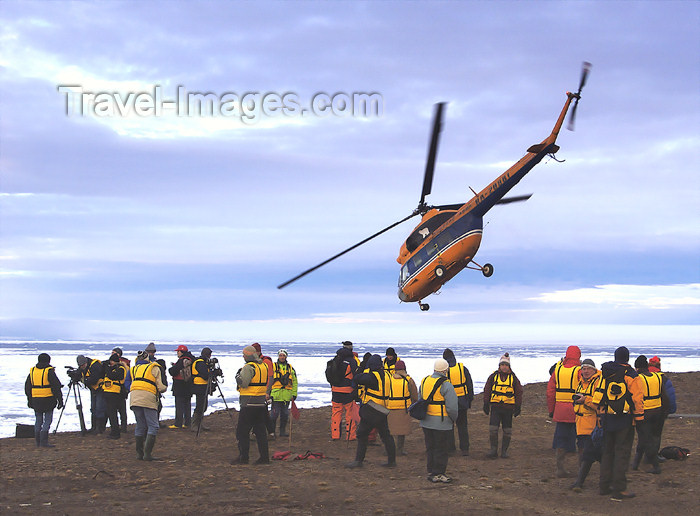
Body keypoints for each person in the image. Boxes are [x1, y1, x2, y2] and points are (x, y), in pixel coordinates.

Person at [591, 346, 644, 501]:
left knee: (607, 452)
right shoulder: (631, 375)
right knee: (622, 453)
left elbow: (598, 395)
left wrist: (601, 415)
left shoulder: (605, 372)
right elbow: (637, 399)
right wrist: (639, 420)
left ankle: (604, 486)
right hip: (625, 419)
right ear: (627, 358)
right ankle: (619, 490)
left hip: (608, 418)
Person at [346, 354, 396, 469]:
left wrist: (362, 370)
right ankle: (392, 461)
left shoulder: (372, 377)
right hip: (382, 410)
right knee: (386, 435)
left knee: (362, 434)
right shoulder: (388, 375)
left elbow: (358, 378)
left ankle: (358, 461)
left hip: (371, 410)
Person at [419, 358, 459, 483]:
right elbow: (452, 407)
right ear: (446, 370)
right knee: (441, 449)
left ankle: (431, 471)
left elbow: (420, 399)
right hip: (442, 422)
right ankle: (439, 473)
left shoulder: (424, 381)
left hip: (426, 421)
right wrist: (453, 419)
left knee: (430, 447)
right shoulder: (446, 384)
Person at [547, 345, 582, 477]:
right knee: (582, 439)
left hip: (560, 410)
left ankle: (560, 468)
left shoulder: (558, 370)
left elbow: (550, 392)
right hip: (578, 410)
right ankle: (581, 470)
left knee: (561, 439)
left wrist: (552, 410)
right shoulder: (579, 371)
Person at [232, 345, 270, 465]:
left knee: (242, 432)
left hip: (248, 403)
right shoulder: (263, 366)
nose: (243, 356)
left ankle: (244, 457)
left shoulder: (249, 367)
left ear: (248, 355)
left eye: (244, 354)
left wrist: (238, 377)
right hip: (260, 403)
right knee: (260, 432)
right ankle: (264, 457)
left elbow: (244, 383)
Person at [631, 355, 669, 474]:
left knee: (646, 439)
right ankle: (635, 464)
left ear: (637, 367)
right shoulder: (657, 377)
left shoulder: (638, 379)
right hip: (657, 412)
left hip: (645, 413)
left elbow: (634, 397)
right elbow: (664, 396)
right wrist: (665, 412)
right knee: (647, 438)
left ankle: (656, 467)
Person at [128, 350, 167, 460]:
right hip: (148, 398)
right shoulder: (154, 368)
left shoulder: (133, 369)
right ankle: (147, 454)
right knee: (153, 425)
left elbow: (128, 383)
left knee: (140, 425)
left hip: (134, 398)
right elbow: (161, 387)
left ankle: (139, 454)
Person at [483, 353, 523, 459]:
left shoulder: (513, 378)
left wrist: (518, 406)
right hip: (495, 408)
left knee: (507, 431)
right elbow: (487, 390)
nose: (504, 367)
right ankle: (493, 450)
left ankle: (504, 451)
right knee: (493, 429)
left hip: (508, 409)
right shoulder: (493, 377)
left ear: (509, 366)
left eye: (506, 365)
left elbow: (519, 392)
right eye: (502, 365)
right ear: (499, 366)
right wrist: (486, 403)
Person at [570, 358, 602, 490]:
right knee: (587, 454)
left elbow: (599, 405)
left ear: (594, 370)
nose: (586, 371)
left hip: (593, 427)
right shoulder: (581, 383)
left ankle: (580, 482)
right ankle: (582, 481)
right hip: (580, 425)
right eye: (584, 368)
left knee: (591, 455)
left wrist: (585, 400)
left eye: (589, 368)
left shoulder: (598, 383)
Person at [25, 353, 63, 448]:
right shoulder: (49, 371)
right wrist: (60, 400)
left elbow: (27, 387)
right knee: (47, 420)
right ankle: (44, 442)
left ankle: (38, 442)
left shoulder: (33, 371)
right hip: (48, 399)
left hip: (36, 399)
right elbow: (56, 386)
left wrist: (29, 399)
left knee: (38, 420)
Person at [443, 348, 474, 456]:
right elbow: (469, 385)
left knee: (449, 426)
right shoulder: (462, 369)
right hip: (462, 402)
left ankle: (451, 449)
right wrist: (469, 399)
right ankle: (465, 449)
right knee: (462, 426)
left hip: (448, 402)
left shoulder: (444, 370)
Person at [647, 355, 676, 462]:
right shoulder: (663, 378)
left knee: (644, 434)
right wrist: (671, 410)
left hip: (643, 411)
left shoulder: (641, 377)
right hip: (659, 411)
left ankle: (643, 456)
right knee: (656, 435)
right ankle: (653, 456)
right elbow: (670, 396)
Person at [386, 360, 418, 456]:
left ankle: (389, 449)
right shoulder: (408, 380)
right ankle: (399, 450)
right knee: (401, 431)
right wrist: (414, 404)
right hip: (404, 408)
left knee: (390, 430)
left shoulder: (389, 379)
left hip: (390, 407)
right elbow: (414, 395)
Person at [328, 346, 359, 441]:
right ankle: (351, 435)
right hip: (347, 391)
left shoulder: (334, 360)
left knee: (336, 412)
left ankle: (335, 435)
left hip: (335, 390)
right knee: (349, 413)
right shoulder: (351, 361)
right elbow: (356, 376)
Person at [268, 349, 298, 438]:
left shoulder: (290, 368)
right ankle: (272, 432)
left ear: (286, 357)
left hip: (286, 395)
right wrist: (268, 393)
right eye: (280, 355)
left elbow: (295, 382)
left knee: (285, 414)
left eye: (283, 356)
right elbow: (268, 380)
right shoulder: (273, 367)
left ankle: (282, 431)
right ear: (278, 356)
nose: (282, 357)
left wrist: (294, 393)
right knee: (274, 414)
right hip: (275, 395)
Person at [76, 354, 106, 434]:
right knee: (93, 408)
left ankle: (100, 428)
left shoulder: (95, 365)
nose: (82, 367)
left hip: (100, 389)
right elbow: (80, 374)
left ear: (85, 362)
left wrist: (84, 381)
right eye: (80, 366)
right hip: (93, 389)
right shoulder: (84, 367)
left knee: (99, 408)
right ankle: (94, 427)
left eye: (82, 365)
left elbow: (94, 379)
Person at [168, 344, 195, 429]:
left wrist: (171, 368)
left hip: (179, 385)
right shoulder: (191, 360)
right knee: (187, 405)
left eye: (178, 351)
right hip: (188, 385)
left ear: (181, 352)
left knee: (179, 405)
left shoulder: (181, 361)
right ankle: (187, 423)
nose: (177, 353)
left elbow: (173, 371)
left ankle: (178, 423)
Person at [252, 342, 275, 437]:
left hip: (262, 392)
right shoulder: (254, 362)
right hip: (255, 391)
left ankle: (258, 432)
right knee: (263, 412)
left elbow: (270, 377)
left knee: (260, 412)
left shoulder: (266, 362)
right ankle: (270, 432)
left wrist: (267, 392)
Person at [103, 353, 128, 439]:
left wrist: (107, 368)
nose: (111, 363)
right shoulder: (110, 368)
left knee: (114, 413)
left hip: (116, 394)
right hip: (109, 393)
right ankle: (114, 430)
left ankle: (116, 432)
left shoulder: (121, 369)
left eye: (112, 361)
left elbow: (112, 376)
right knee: (111, 414)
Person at [191, 347, 213, 432]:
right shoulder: (200, 363)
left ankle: (199, 423)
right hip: (199, 386)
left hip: (203, 386)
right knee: (200, 406)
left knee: (203, 405)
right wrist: (212, 373)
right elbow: (205, 375)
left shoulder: (203, 362)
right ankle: (195, 425)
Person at [111, 347, 130, 432]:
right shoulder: (112, 362)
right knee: (115, 409)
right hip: (114, 389)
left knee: (122, 409)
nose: (112, 354)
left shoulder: (124, 363)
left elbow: (128, 373)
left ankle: (123, 427)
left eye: (114, 353)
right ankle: (117, 426)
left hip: (122, 388)